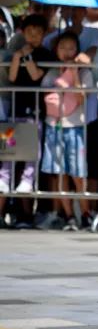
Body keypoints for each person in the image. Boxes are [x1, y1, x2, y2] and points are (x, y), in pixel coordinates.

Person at [40, 31, 94, 231]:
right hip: (54, 126)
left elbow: (82, 98)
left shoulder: (85, 72)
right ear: (56, 50)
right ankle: (69, 215)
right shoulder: (52, 71)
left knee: (78, 175)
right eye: (62, 47)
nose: (67, 52)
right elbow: (45, 93)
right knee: (60, 172)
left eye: (71, 48)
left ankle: (86, 213)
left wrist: (74, 74)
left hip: (75, 127)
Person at [1, 14, 50, 199]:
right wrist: (17, 57)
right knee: (10, 145)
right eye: (30, 32)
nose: (33, 36)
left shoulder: (45, 53)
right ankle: (4, 178)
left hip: (34, 107)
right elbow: (13, 77)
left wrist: (27, 57)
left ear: (44, 34)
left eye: (38, 32)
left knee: (31, 147)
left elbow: (36, 75)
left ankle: (28, 180)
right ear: (23, 32)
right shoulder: (18, 50)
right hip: (17, 105)